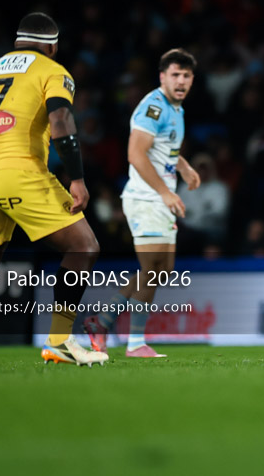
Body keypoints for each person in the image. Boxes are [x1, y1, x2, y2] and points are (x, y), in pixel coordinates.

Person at [0, 12, 106, 371]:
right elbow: (61, 120)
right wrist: (77, 178)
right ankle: (59, 341)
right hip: (21, 172)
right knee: (84, 247)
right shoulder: (52, 71)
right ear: (52, 45)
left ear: (17, 42)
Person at [84, 49, 200, 358]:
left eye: (186, 76)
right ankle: (135, 343)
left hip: (160, 199)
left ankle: (102, 321)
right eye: (175, 74)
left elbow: (165, 150)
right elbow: (135, 154)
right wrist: (165, 191)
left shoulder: (176, 110)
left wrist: (184, 167)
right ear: (162, 77)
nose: (181, 81)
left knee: (163, 269)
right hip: (145, 198)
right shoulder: (153, 107)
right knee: (151, 269)